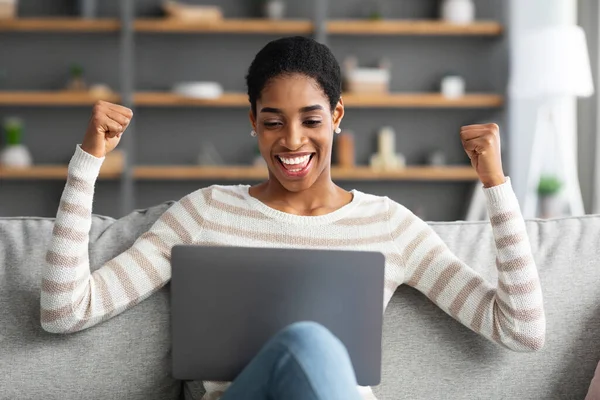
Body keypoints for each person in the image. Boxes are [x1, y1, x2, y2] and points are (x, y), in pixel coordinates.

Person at [40, 36, 545, 400]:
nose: (293, 141)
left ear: (338, 117)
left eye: (312, 119)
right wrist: (88, 161)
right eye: (273, 122)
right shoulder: (205, 212)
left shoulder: (389, 226)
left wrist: (496, 185)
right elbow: (65, 310)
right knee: (308, 342)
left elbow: (521, 329)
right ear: (253, 124)